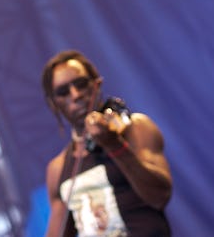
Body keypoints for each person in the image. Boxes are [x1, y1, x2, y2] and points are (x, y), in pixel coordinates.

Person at [41, 50, 172, 236]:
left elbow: (159, 197)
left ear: (97, 84)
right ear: (54, 103)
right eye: (63, 92)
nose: (76, 95)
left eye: (81, 84)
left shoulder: (135, 129)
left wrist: (114, 145)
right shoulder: (57, 168)